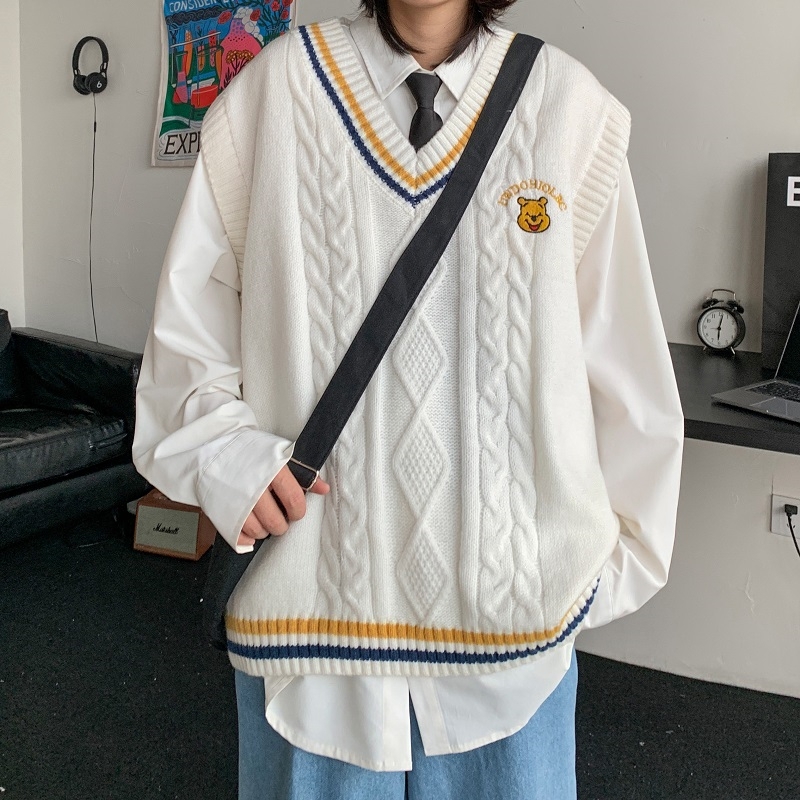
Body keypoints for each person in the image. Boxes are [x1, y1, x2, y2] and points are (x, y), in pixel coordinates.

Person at [133, 0, 685, 797]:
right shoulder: (272, 94)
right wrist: (229, 461)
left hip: (512, 635)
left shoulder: (569, 108)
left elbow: (625, 371)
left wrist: (597, 570)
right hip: (311, 622)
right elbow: (186, 347)